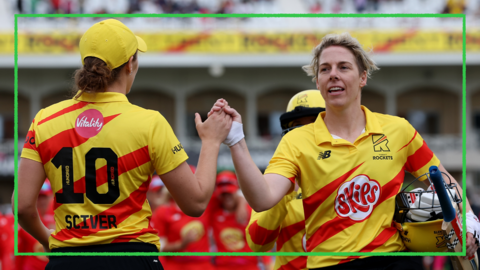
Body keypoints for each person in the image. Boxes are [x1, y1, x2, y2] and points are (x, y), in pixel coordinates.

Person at [209, 32, 480, 269]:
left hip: (393, 260)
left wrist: (470, 223)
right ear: (317, 81)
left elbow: (447, 183)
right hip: (329, 264)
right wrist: (236, 141)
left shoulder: (399, 130)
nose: (333, 74)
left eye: (343, 67)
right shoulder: (295, 142)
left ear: (363, 77)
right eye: (325, 69)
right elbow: (262, 198)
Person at [15, 19, 232, 270]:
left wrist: (49, 241)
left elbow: (22, 207)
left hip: (68, 260)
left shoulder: (44, 120)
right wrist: (211, 141)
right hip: (133, 259)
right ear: (130, 64)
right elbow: (195, 204)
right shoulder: (149, 123)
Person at [246, 89, 325, 270]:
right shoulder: (274, 179)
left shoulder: (355, 171)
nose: (305, 134)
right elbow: (257, 244)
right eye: (297, 126)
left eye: (315, 123)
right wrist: (285, 191)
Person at [151, 165, 215, 270]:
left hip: (203, 265)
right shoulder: (163, 211)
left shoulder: (206, 204)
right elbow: (159, 247)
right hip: (176, 265)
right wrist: (181, 245)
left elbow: (232, 192)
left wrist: (240, 201)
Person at [209, 171, 266, 270]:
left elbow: (262, 242)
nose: (227, 197)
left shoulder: (250, 211)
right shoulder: (214, 210)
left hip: (248, 266)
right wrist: (241, 200)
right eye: (223, 194)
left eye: (230, 193)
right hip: (222, 266)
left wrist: (242, 201)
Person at [18, 180, 55, 270]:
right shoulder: (26, 219)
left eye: (44, 197)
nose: (41, 201)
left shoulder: (57, 217)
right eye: (38, 197)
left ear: (50, 197)